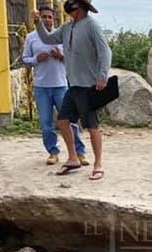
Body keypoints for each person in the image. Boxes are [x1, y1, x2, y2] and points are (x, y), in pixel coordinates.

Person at [36, 0, 112, 180]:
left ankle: (98, 164)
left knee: (92, 126)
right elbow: (48, 38)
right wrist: (37, 23)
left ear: (80, 6)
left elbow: (105, 52)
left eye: (71, 3)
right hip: (73, 85)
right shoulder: (67, 27)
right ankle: (72, 158)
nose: (68, 5)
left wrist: (102, 76)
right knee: (63, 121)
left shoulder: (92, 25)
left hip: (88, 86)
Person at [22, 5, 88, 166]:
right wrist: (37, 58)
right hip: (41, 87)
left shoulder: (63, 35)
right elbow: (25, 60)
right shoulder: (31, 37)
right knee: (46, 124)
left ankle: (80, 153)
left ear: (54, 19)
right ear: (39, 19)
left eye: (49, 17)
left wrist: (61, 56)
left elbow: (74, 59)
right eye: (43, 17)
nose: (46, 20)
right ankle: (53, 152)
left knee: (70, 121)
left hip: (61, 85)